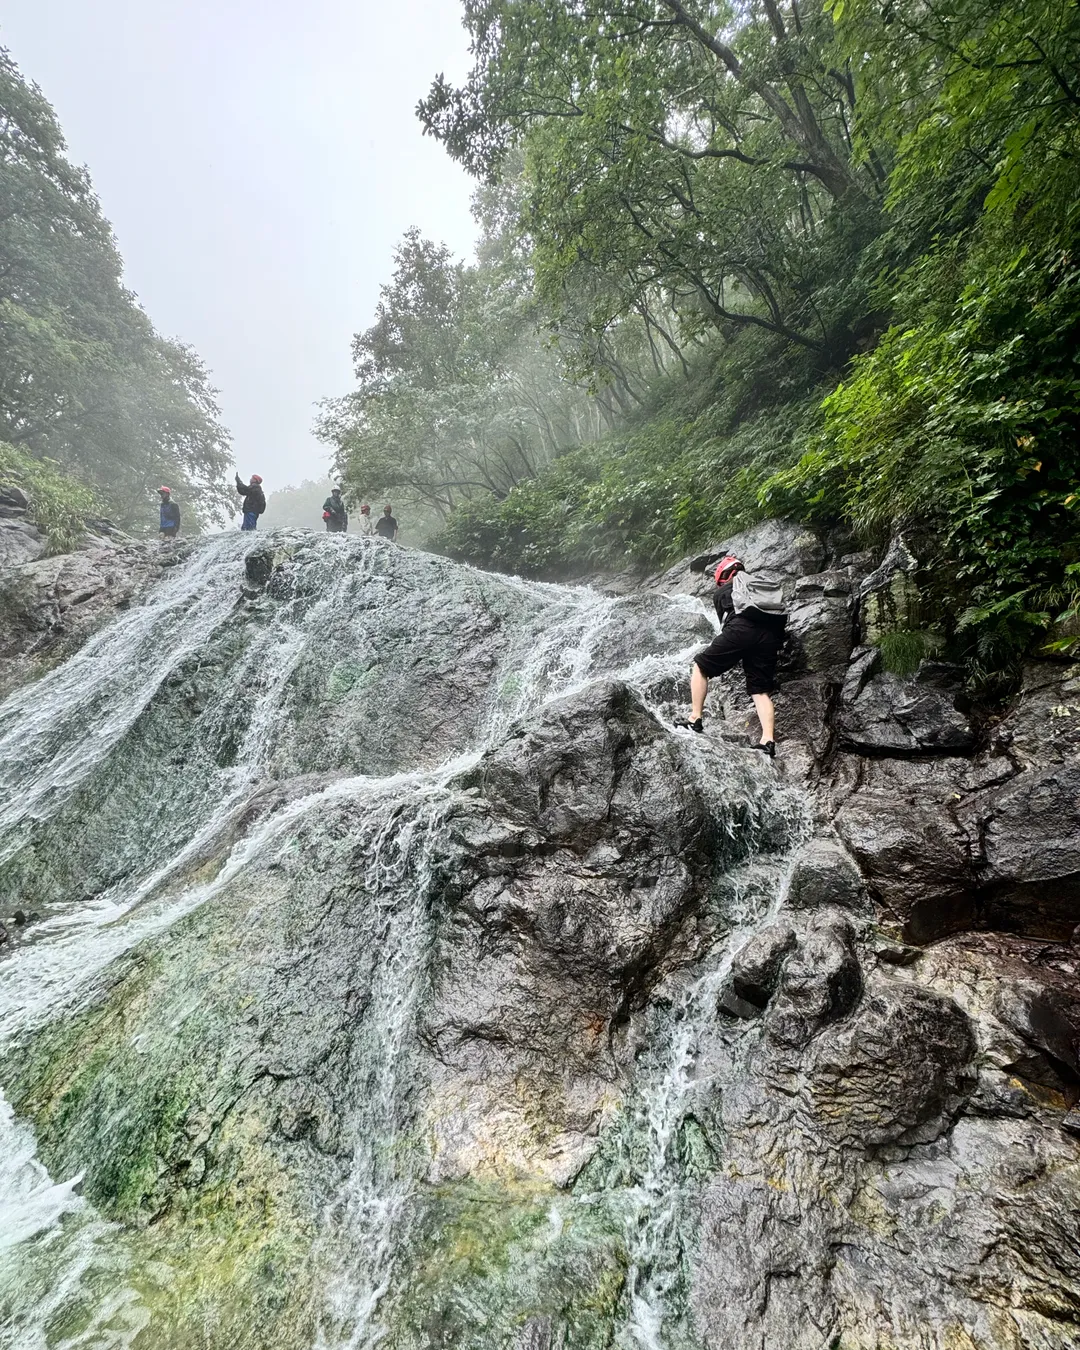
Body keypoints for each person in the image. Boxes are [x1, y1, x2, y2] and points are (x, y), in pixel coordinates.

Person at [675, 554, 786, 757]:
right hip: (771, 637)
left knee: (701, 665)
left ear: (723, 576)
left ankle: (694, 718)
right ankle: (768, 741)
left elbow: (726, 626)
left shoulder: (725, 590)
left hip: (740, 631)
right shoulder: (759, 585)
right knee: (760, 690)